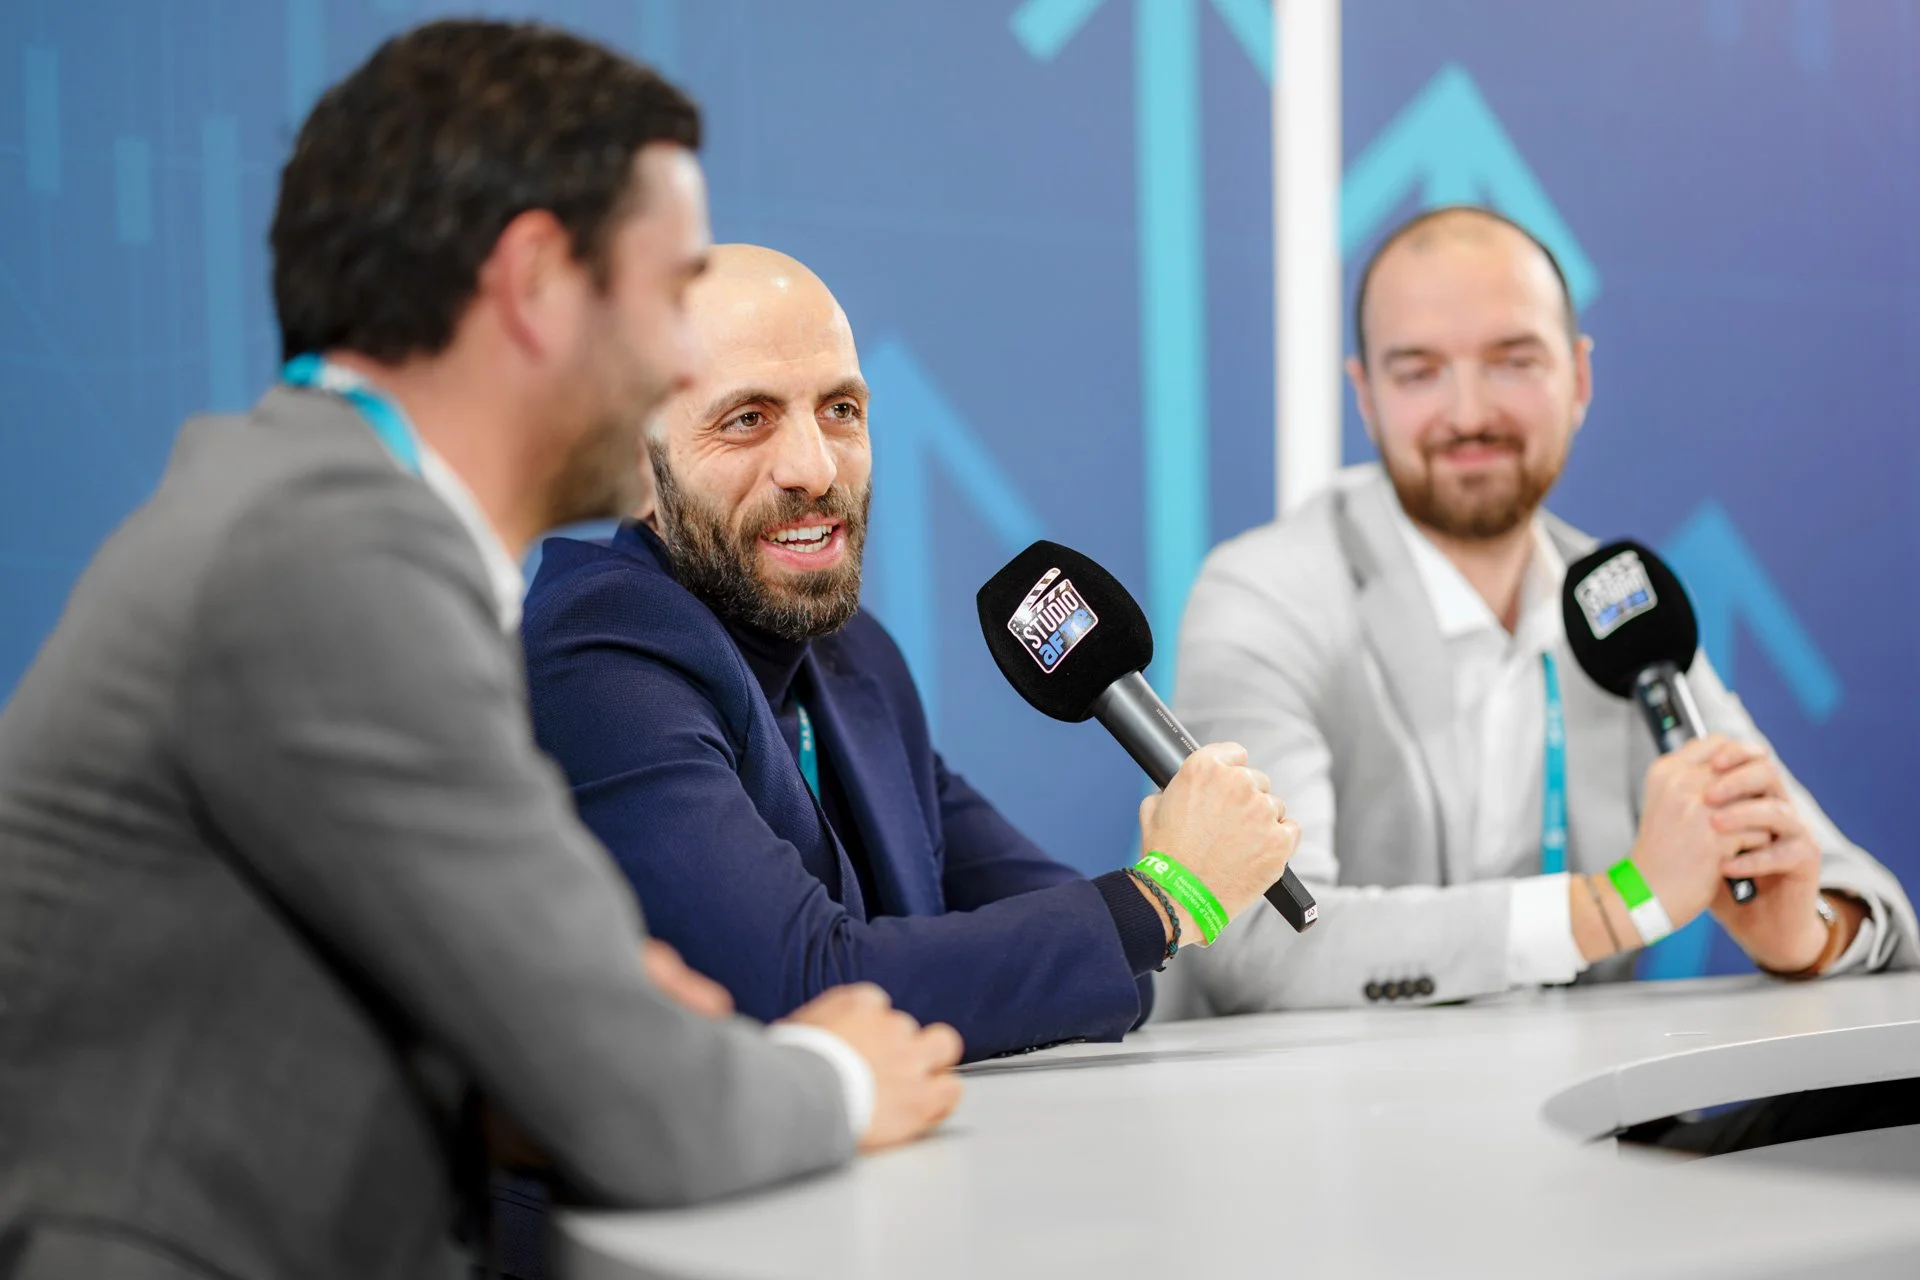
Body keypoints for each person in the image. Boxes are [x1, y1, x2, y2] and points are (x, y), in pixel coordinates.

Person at [0, 23, 960, 1280]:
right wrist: (839, 1072)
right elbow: (638, 1101)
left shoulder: (322, 516)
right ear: (535, 283)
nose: (685, 360)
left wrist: (560, 1037)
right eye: (668, 294)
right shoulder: (329, 564)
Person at [520, 245, 1299, 1062]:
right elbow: (803, 994)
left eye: (840, 410)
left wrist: (1134, 925)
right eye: (746, 419)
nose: (814, 468)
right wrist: (1167, 899)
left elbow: (1107, 971)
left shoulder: (853, 657)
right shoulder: (597, 651)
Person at [1170, 205, 1916, 1014]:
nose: (1468, 414)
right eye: (1419, 372)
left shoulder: (1616, 608)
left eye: (1513, 362)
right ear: (1367, 397)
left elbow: (1870, 909)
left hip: (1574, 1092)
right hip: (1317, 1094)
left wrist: (1804, 935)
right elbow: (1255, 943)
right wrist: (1620, 902)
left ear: (1579, 378)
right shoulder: (1265, 594)